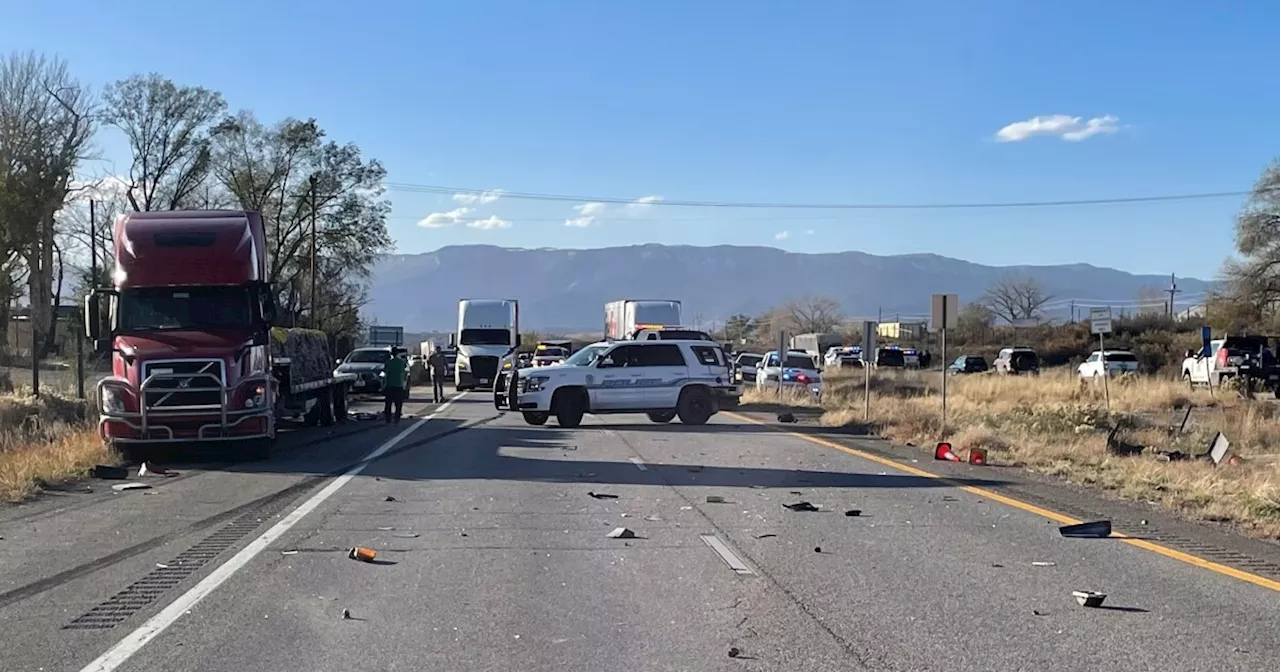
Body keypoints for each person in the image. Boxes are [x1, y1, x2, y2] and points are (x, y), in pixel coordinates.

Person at [383, 348, 408, 423]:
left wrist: (384, 385)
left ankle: (388, 418)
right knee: (398, 403)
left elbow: (385, 374)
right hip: (399, 385)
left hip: (390, 384)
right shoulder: (401, 362)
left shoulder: (388, 362)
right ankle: (397, 417)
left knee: (388, 403)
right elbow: (404, 372)